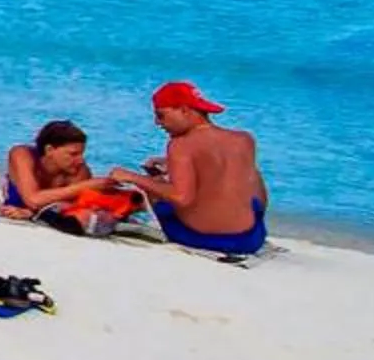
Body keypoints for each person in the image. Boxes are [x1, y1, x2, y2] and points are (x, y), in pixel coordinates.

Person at [110, 81, 269, 256]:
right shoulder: (244, 139)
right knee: (245, 173)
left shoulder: (181, 145)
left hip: (204, 239)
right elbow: (259, 196)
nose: (157, 122)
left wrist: (133, 177)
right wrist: (173, 164)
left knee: (156, 185)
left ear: (184, 110)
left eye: (160, 115)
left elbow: (181, 197)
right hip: (251, 239)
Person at [0, 120, 147, 235]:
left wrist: (32, 213)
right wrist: (86, 186)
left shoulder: (79, 171)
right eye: (73, 154)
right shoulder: (22, 155)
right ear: (50, 150)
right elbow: (33, 199)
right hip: (22, 201)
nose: (81, 160)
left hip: (49, 211)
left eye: (82, 154)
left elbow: (75, 206)